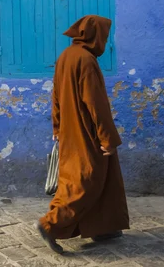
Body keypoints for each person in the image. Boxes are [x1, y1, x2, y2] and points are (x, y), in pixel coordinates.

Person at [35, 15, 129, 254]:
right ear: (95, 36)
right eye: (104, 37)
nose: (105, 42)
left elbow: (55, 95)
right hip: (86, 133)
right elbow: (96, 104)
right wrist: (107, 138)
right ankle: (50, 224)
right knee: (86, 180)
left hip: (68, 130)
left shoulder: (66, 56)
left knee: (101, 178)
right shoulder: (86, 60)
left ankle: (103, 227)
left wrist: (57, 127)